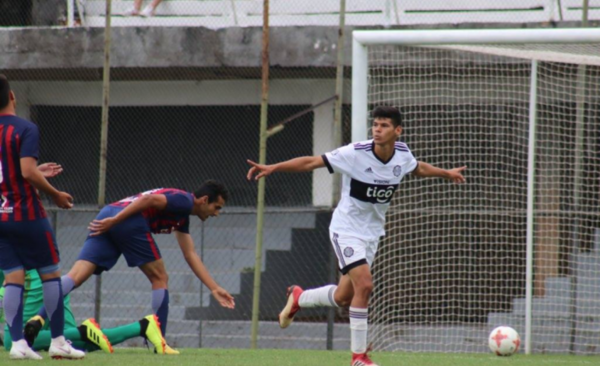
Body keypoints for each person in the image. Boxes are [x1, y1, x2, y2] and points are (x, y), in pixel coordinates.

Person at [246, 106, 466, 366]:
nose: (377, 129)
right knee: (365, 285)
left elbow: (417, 168)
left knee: (343, 297)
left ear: (398, 131)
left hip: (372, 234)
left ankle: (299, 298)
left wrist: (446, 173)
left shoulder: (402, 154)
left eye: (384, 125)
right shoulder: (355, 153)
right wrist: (275, 167)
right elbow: (311, 162)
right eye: (375, 124)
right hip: (346, 229)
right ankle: (358, 357)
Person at [25, 182, 236, 353]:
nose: (216, 213)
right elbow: (149, 200)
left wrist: (214, 288)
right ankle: (159, 342)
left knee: (76, 276)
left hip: (109, 213)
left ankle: (39, 317)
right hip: (124, 219)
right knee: (160, 278)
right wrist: (115, 221)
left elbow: (190, 254)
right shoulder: (183, 200)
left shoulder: (182, 216)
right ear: (204, 200)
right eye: (216, 207)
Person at [0, 74, 85, 360]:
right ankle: (59, 341)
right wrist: (55, 193)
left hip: (0, 216)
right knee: (50, 274)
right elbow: (25, 171)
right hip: (26, 213)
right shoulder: (25, 128)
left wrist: (38, 173)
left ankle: (17, 344)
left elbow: (16, 171)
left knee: (13, 277)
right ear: (12, 96)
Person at [0, 270, 173, 354]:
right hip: (51, 279)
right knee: (72, 345)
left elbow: (6, 289)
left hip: (34, 283)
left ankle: (84, 331)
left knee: (13, 342)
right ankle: (143, 326)